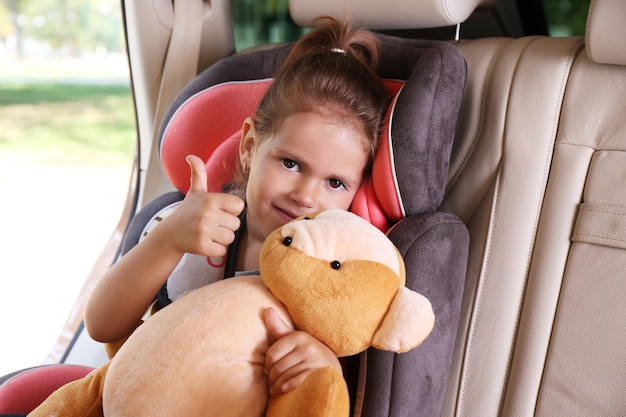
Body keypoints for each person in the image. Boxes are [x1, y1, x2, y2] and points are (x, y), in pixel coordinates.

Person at [84, 16, 390, 399]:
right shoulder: (184, 227)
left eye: (335, 183)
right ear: (249, 147)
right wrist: (167, 241)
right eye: (291, 163)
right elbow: (100, 325)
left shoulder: (332, 276)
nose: (306, 196)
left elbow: (332, 392)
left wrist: (324, 365)